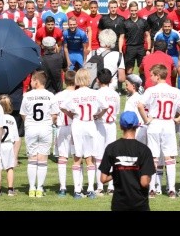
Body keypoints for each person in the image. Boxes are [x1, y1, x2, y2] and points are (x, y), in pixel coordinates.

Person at [137, 63, 180, 199]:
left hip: (155, 123)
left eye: (152, 76)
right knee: (170, 157)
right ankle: (171, 190)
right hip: (168, 124)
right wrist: (179, 119)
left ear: (157, 76)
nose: (150, 78)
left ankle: (152, 189)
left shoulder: (151, 90)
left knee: (153, 158)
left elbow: (140, 105)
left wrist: (146, 119)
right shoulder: (175, 91)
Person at [60, 68, 107, 199]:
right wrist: (98, 115)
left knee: (77, 158)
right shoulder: (95, 93)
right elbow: (105, 107)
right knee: (90, 158)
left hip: (78, 124)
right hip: (90, 124)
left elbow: (62, 106)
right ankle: (91, 189)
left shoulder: (73, 94)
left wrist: (71, 114)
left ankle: (77, 190)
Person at [20, 71, 59, 197]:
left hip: (31, 128)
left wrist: (29, 123)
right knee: (42, 159)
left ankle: (32, 188)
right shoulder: (50, 95)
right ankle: (40, 188)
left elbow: (23, 113)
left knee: (32, 158)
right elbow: (54, 115)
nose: (30, 82)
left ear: (36, 81)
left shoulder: (27, 95)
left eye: (31, 80)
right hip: (45, 128)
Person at [94, 68, 121, 195]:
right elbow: (117, 111)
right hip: (111, 125)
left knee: (99, 156)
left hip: (100, 124)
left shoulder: (96, 94)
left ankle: (100, 185)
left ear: (98, 80)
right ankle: (111, 185)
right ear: (110, 80)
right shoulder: (115, 94)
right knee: (112, 156)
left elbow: (95, 112)